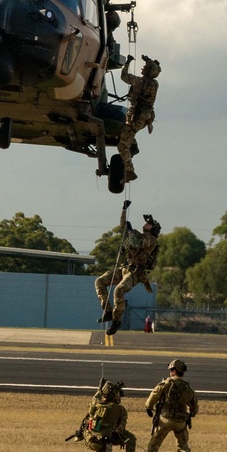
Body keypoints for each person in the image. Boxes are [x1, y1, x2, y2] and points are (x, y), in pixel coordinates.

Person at [95, 207, 161, 337]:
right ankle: (107, 311)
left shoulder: (151, 240)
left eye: (149, 223)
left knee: (118, 291)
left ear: (153, 229)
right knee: (99, 282)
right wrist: (124, 210)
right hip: (125, 268)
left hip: (135, 274)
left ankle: (116, 321)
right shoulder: (138, 234)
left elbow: (136, 244)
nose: (146, 223)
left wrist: (130, 231)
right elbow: (122, 226)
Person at [141, 358, 198, 452]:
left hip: (165, 420)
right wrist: (189, 415)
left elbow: (152, 398)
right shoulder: (188, 388)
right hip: (181, 422)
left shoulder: (165, 384)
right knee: (183, 447)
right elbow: (194, 408)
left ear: (173, 371)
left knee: (153, 446)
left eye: (171, 370)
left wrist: (149, 408)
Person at [116, 54, 161, 184]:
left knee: (122, 145)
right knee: (127, 133)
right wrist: (148, 61)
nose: (143, 69)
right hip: (146, 116)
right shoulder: (154, 83)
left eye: (145, 67)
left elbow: (124, 76)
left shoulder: (140, 82)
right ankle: (133, 146)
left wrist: (127, 63)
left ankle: (130, 171)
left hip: (137, 116)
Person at [78, 379, 136, 452]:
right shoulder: (119, 409)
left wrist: (100, 389)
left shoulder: (95, 403)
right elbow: (121, 427)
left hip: (90, 438)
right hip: (103, 442)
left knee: (100, 450)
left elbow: (95, 399)